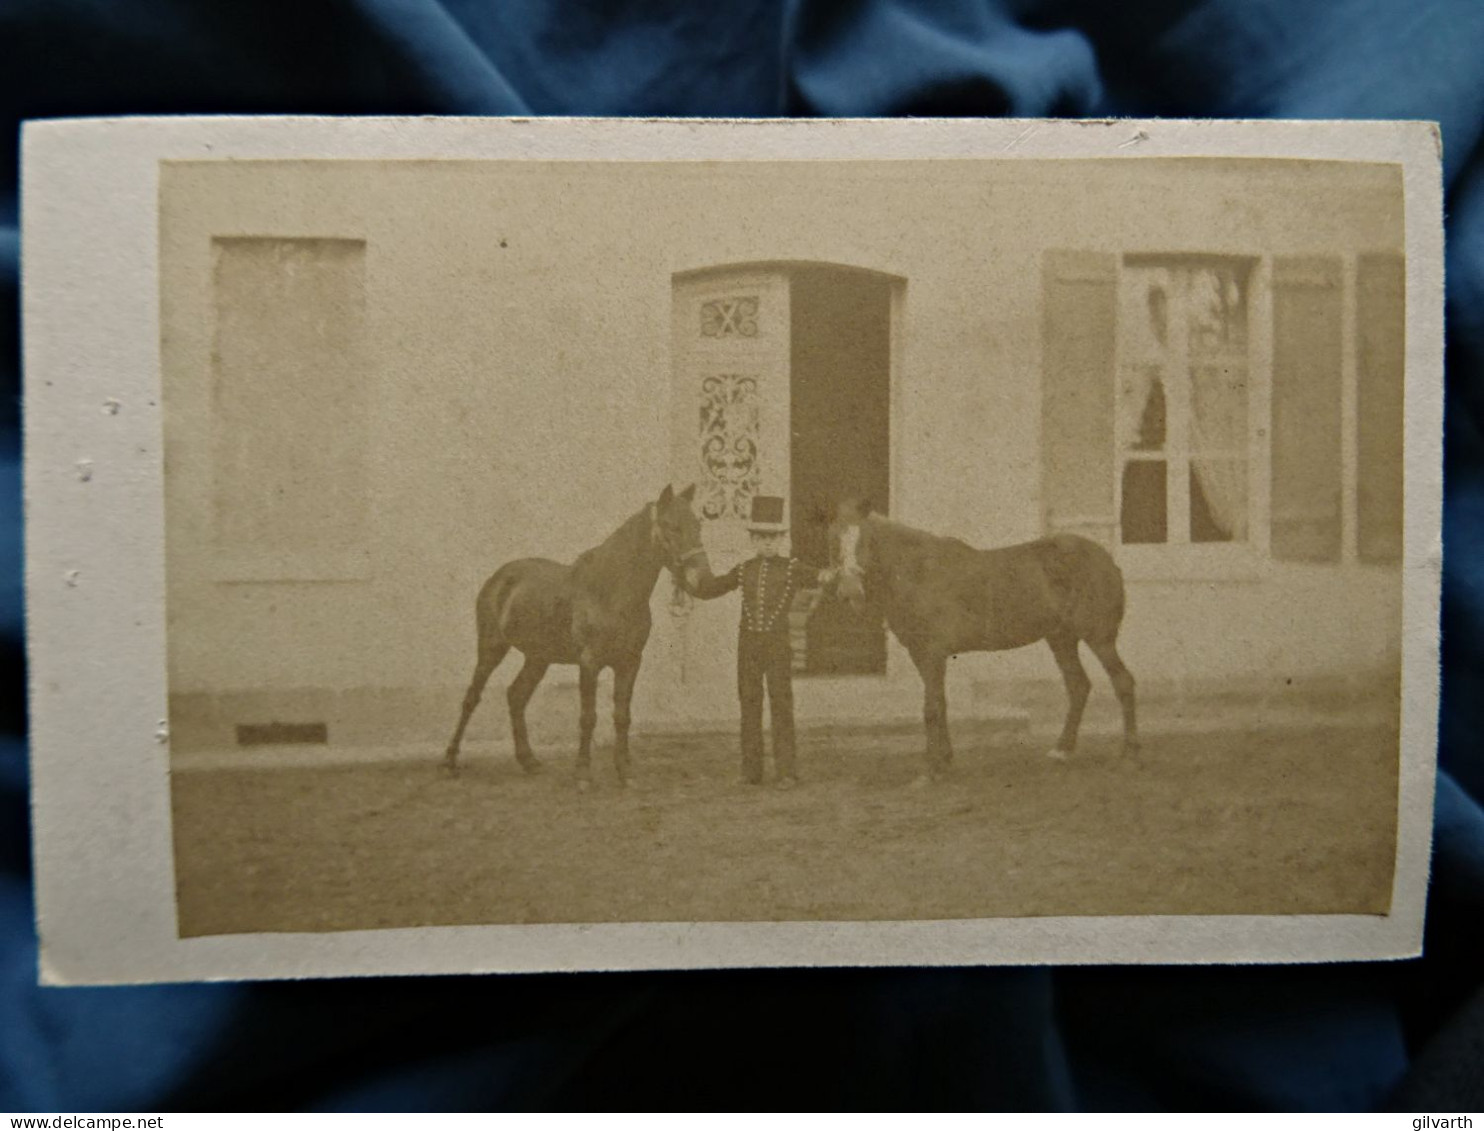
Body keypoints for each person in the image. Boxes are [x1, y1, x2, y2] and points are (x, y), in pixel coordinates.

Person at [691, 495, 836, 788]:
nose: (767, 543)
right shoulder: (744, 570)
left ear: (781, 539)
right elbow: (711, 588)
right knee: (749, 705)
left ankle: (786, 773)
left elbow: (824, 579)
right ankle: (751, 772)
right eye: (761, 538)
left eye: (773, 538)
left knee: (782, 706)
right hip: (748, 648)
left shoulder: (793, 568)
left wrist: (837, 573)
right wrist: (691, 577)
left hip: (778, 646)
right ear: (753, 540)